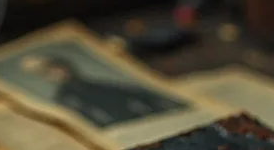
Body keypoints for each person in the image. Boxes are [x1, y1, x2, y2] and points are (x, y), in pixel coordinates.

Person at [20, 54, 187, 127]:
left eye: (59, 68)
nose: (59, 73)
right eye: (50, 71)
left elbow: (132, 93)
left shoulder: (95, 85)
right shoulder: (64, 99)